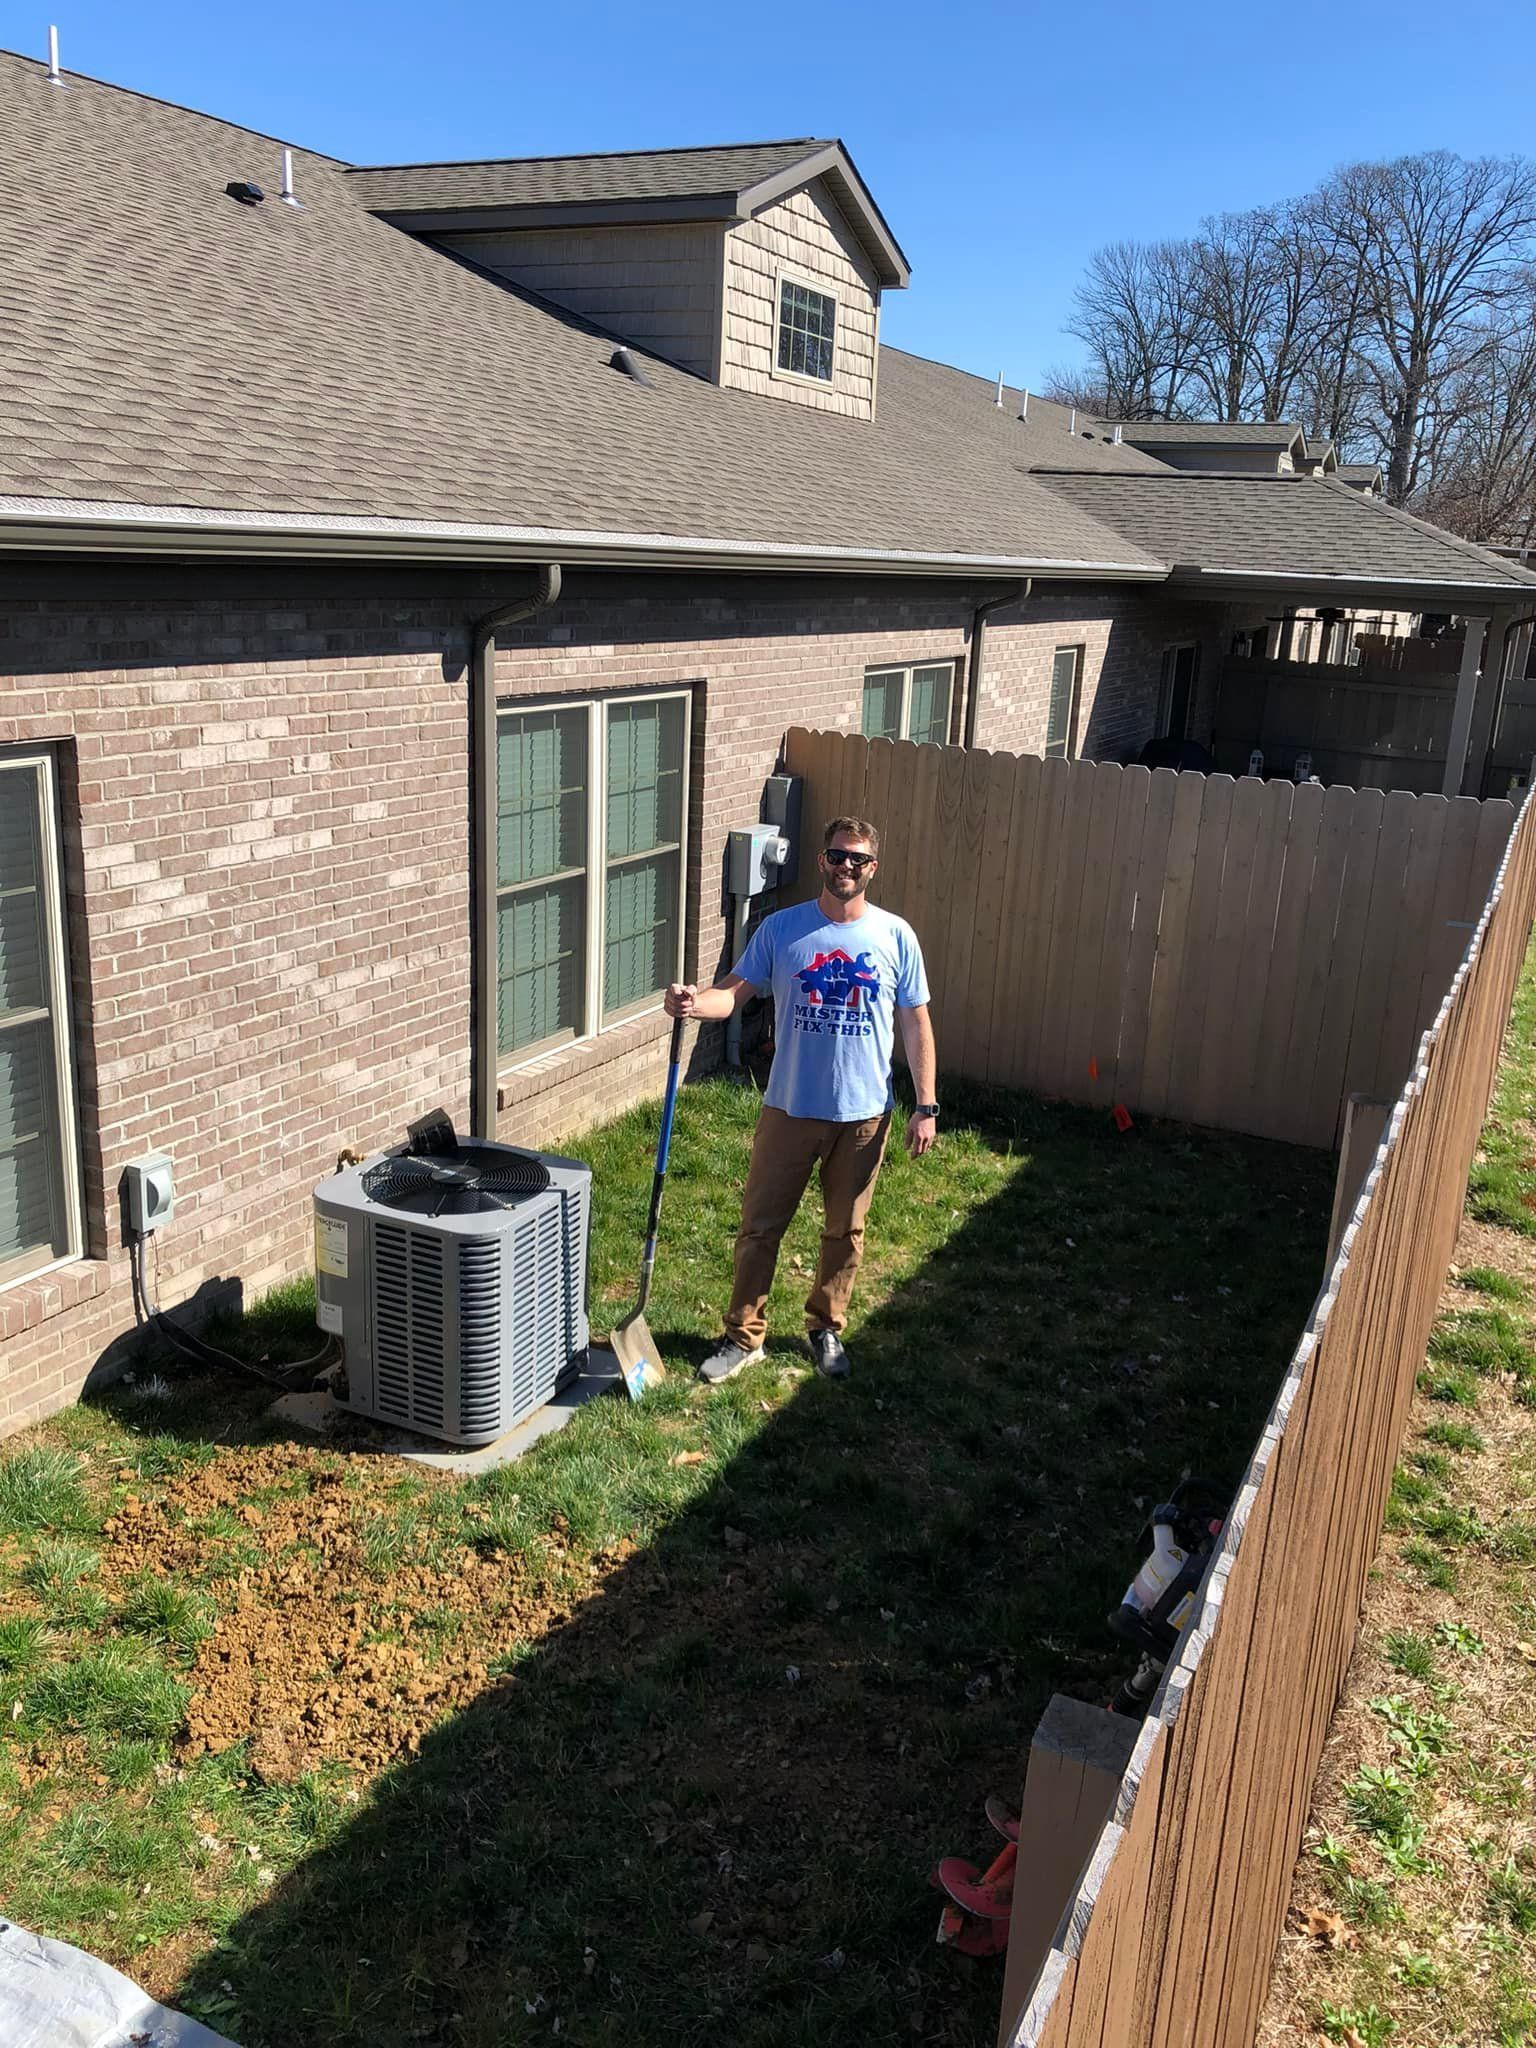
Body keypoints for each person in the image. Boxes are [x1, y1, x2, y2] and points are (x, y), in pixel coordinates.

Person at [664, 815, 938, 1384]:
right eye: (837, 856)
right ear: (822, 860)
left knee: (846, 1231)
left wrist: (926, 1104)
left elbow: (915, 1022)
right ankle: (744, 1336)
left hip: (864, 1115)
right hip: (788, 1106)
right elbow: (733, 994)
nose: (846, 867)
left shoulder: (894, 936)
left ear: (872, 869)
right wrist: (694, 1003)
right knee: (761, 1225)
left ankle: (825, 1327)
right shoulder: (783, 930)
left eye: (857, 860)